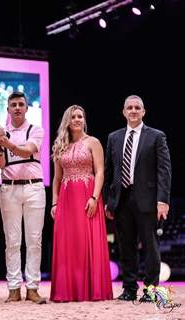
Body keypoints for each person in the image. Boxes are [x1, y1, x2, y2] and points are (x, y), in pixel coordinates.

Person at [103, 95, 171, 302]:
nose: (133, 111)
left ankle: (151, 290)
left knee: (151, 247)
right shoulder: (113, 138)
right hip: (122, 199)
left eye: (137, 108)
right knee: (126, 247)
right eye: (129, 108)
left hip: (149, 200)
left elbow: (164, 170)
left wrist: (163, 200)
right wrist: (108, 200)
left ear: (143, 112)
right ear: (123, 112)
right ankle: (129, 289)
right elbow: (109, 171)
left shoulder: (157, 136)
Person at [49, 105, 113, 302]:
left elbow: (100, 172)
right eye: (73, 117)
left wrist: (95, 197)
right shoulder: (60, 145)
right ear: (67, 121)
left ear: (84, 120)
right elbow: (57, 179)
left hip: (88, 195)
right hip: (66, 199)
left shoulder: (93, 142)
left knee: (88, 240)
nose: (77, 119)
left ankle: (92, 290)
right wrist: (54, 203)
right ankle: (68, 291)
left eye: (80, 116)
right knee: (69, 243)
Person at [0, 91, 46, 304]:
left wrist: (7, 145)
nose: (17, 107)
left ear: (26, 108)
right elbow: (0, 165)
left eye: (21, 104)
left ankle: (32, 287)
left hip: (34, 188)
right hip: (9, 189)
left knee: (34, 240)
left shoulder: (36, 130)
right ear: (7, 109)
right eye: (13, 104)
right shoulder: (0, 133)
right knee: (12, 241)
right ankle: (14, 288)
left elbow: (28, 151)